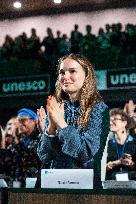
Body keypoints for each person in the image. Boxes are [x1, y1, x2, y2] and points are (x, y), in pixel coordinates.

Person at [37, 53, 109, 188]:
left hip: (83, 188)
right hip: (52, 186)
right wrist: (51, 128)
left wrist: (62, 125)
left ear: (86, 76)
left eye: (72, 71)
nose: (65, 77)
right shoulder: (56, 108)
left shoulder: (99, 109)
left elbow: (85, 153)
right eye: (62, 72)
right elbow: (44, 156)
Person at [106, 108, 136, 180]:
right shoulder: (106, 145)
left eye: (115, 119)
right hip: (111, 185)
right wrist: (117, 162)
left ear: (124, 123)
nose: (110, 122)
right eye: (110, 120)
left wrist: (132, 164)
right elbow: (99, 170)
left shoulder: (134, 143)